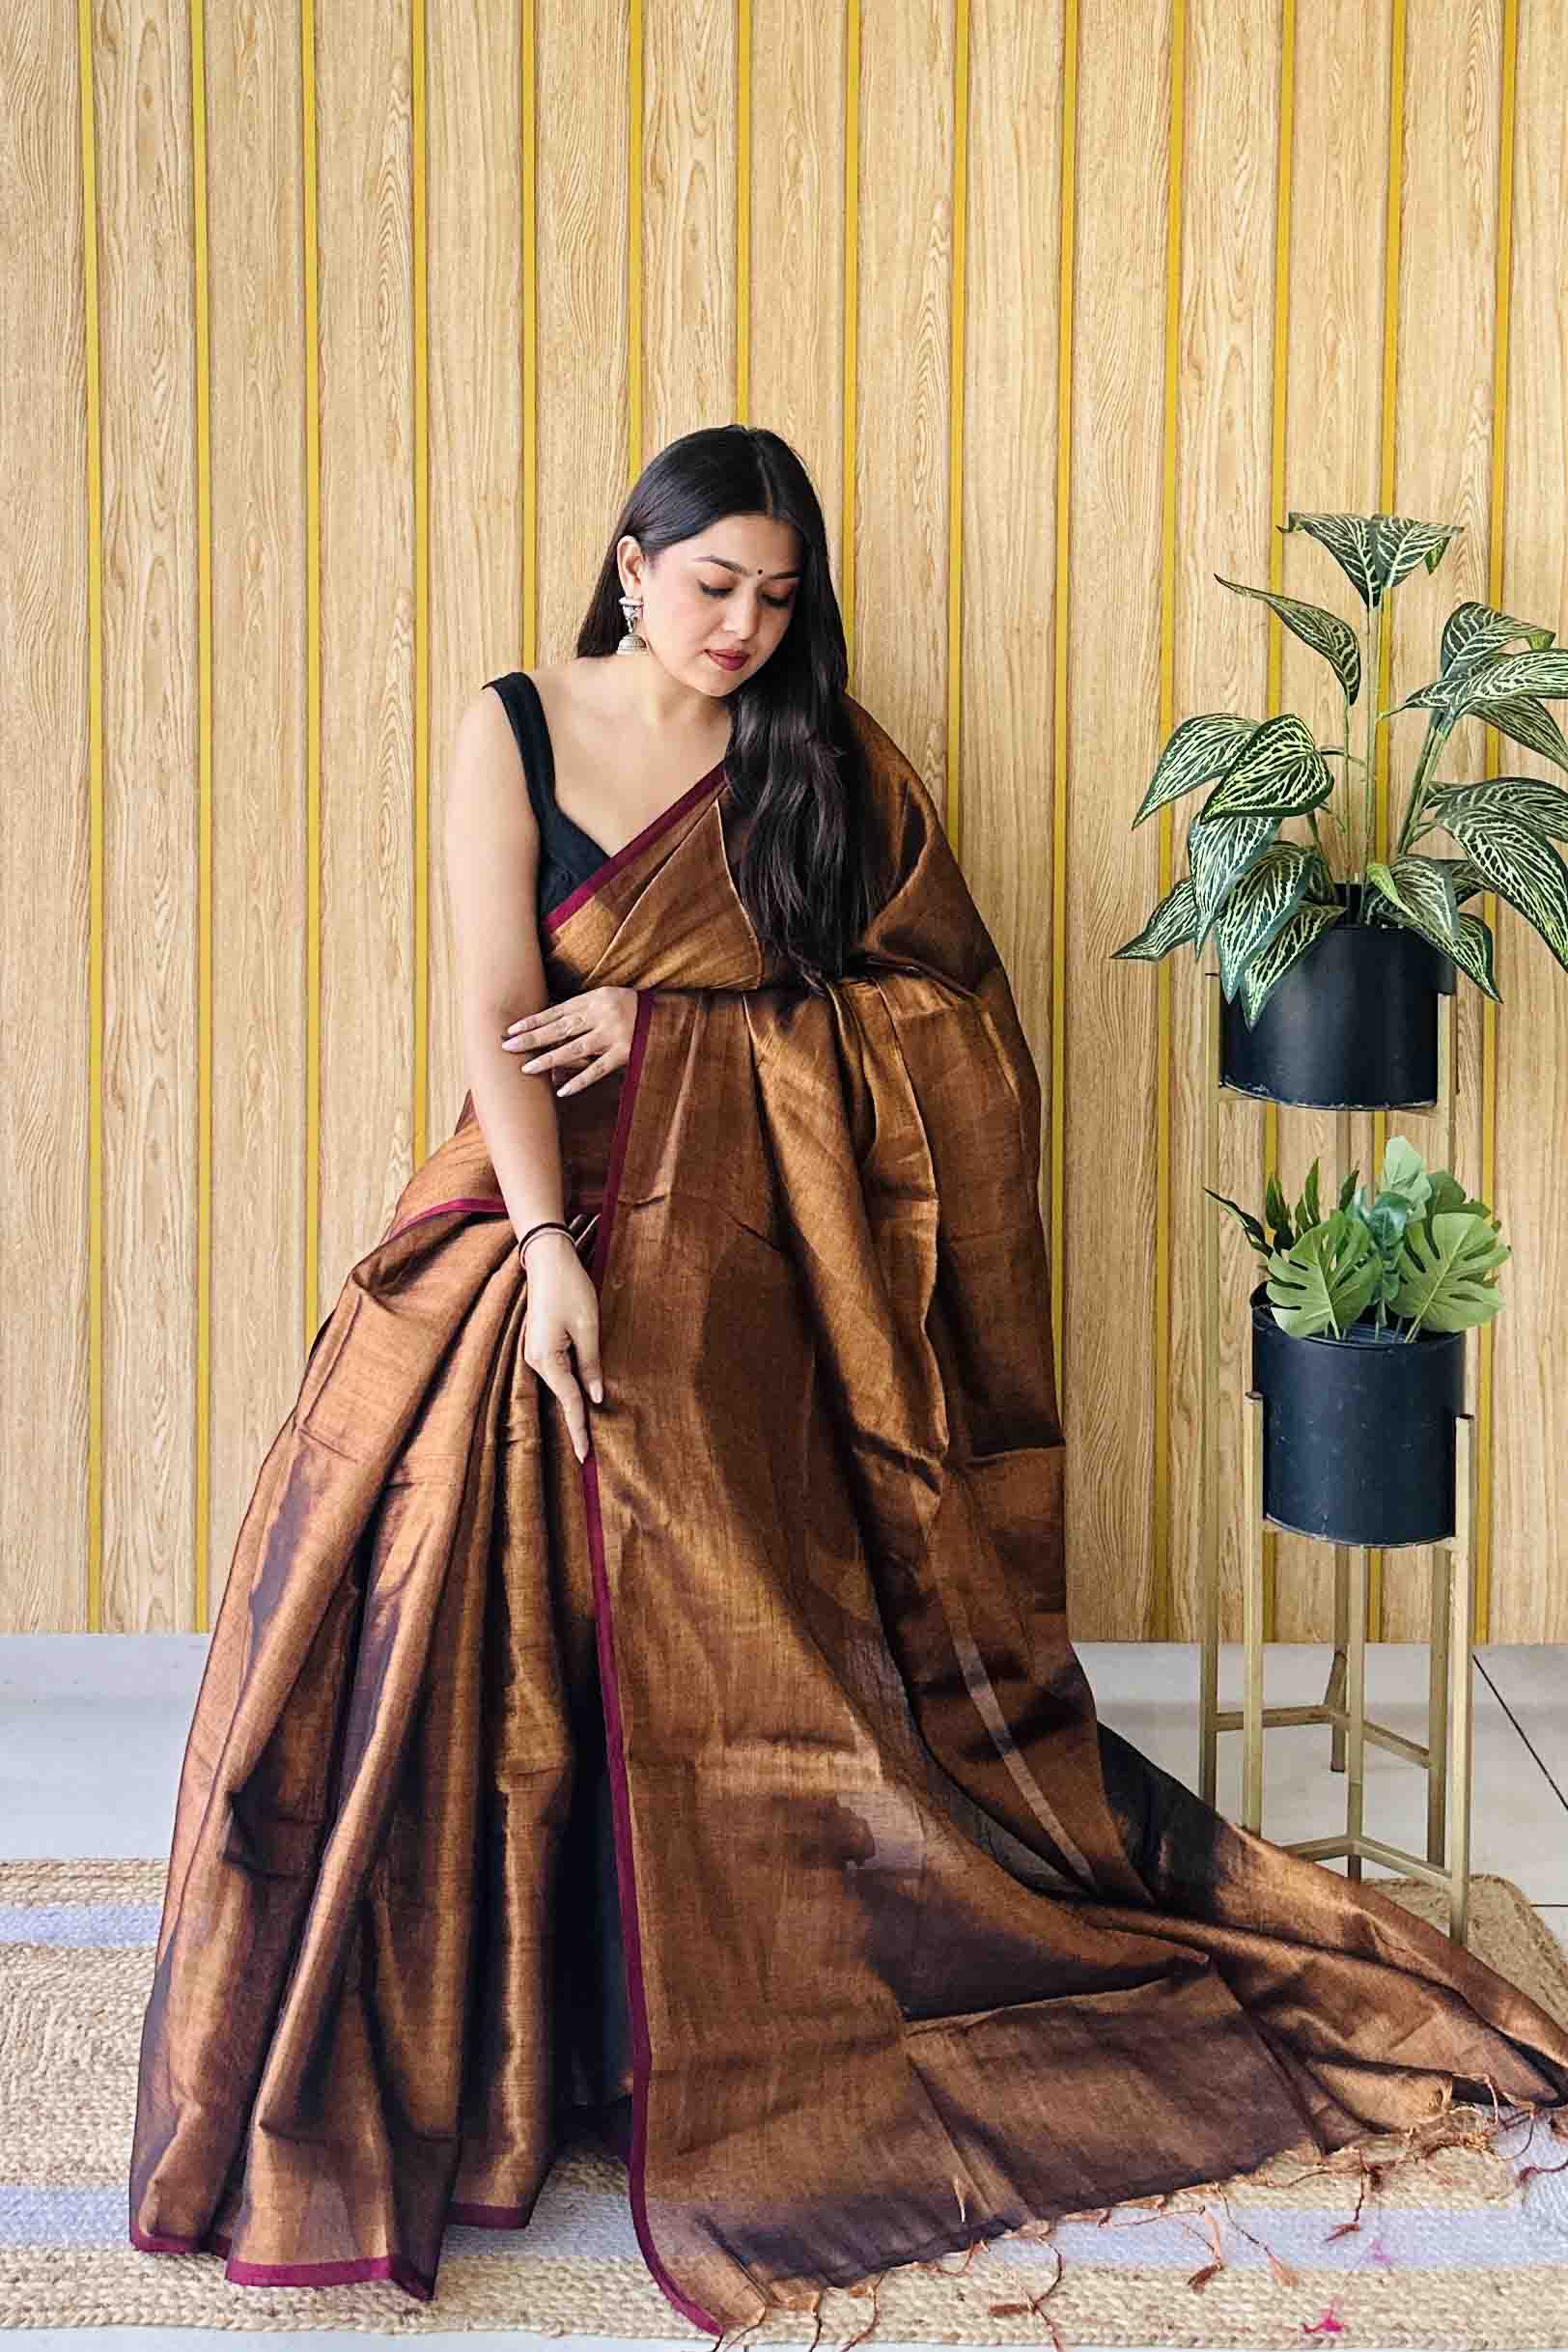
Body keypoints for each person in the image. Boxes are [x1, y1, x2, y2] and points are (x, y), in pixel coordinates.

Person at [127, 423, 1568, 2337]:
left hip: (748, 1256)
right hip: (529, 1216)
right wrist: (546, 1256)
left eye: (776, 598)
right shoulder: (514, 727)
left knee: (715, 1593)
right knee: (415, 1560)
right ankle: (506, 2036)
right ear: (630, 566)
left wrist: (671, 1016)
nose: (740, 627)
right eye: (711, 584)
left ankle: (710, 2013)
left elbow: (941, 1023)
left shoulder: (821, 761)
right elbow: (489, 1015)